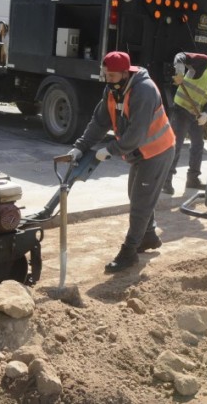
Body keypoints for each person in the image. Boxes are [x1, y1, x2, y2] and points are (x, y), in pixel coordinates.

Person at [66, 51, 175, 273]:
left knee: (140, 203)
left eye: (113, 76)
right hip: (140, 153)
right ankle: (149, 236)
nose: (108, 80)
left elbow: (136, 134)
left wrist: (110, 150)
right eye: (105, 75)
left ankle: (128, 253)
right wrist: (80, 146)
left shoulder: (143, 91)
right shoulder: (113, 89)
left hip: (157, 151)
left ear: (126, 73)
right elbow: (99, 122)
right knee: (136, 196)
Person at [162, 52, 207, 195]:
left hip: (196, 115)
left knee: (198, 146)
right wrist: (179, 71)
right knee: (176, 146)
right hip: (181, 110)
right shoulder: (203, 63)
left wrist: (206, 114)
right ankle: (166, 181)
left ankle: (193, 180)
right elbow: (180, 56)